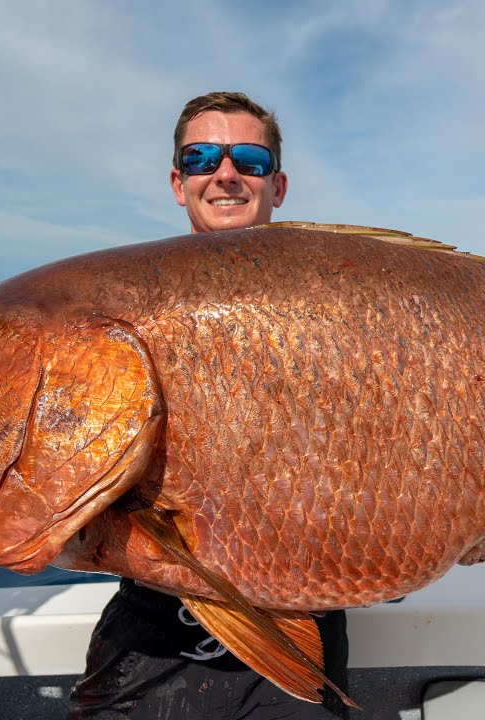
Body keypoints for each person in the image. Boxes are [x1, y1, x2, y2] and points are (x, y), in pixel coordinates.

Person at [67, 92, 351, 720]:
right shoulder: (127, 302)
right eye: (201, 157)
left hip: (301, 618)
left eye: (248, 159)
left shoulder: (338, 304)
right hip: (148, 632)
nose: (225, 173)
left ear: (276, 184)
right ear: (178, 181)